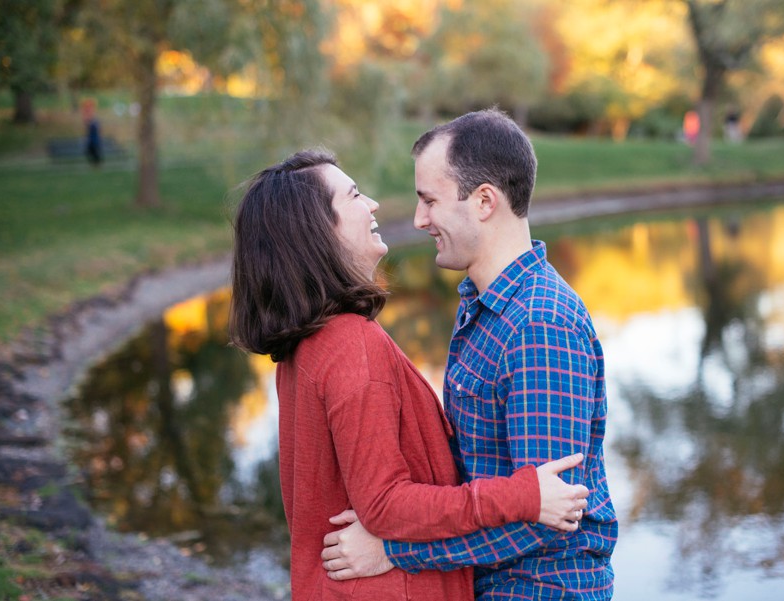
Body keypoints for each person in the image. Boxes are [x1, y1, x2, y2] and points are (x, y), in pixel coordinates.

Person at [228, 149, 591, 600]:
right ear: (318, 230)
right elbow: (385, 504)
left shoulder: (308, 345)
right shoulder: (349, 345)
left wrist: (394, 551)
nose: (375, 205)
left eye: (430, 201)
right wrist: (521, 496)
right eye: (355, 195)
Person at [321, 109, 618, 599]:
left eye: (429, 200)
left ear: (484, 201)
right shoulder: (484, 306)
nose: (419, 220)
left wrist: (393, 550)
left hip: (540, 589)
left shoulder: (539, 325)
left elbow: (547, 518)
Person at [81, 98, 102, 166]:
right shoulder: (92, 119)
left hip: (94, 140)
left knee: (93, 152)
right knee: (90, 152)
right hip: (92, 139)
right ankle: (95, 164)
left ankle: (96, 164)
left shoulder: (94, 120)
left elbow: (95, 126)